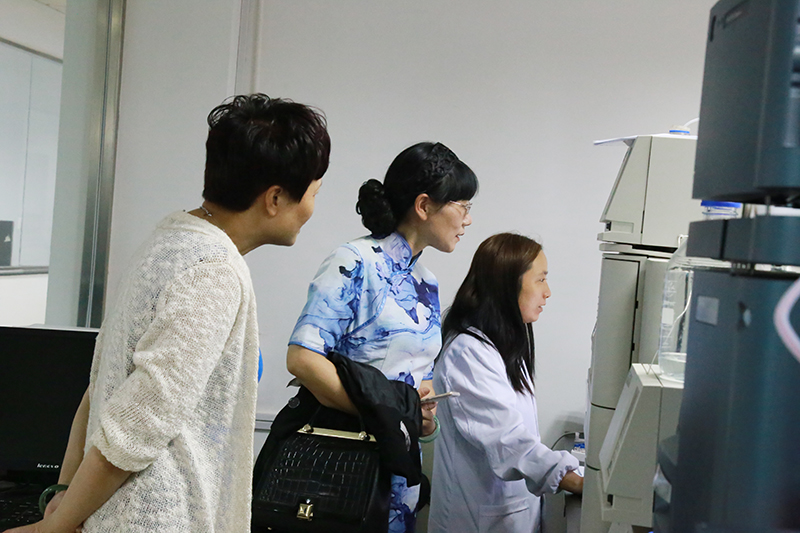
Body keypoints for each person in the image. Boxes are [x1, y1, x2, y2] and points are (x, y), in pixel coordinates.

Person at [4, 94, 331, 533]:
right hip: (155, 517)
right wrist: (56, 525)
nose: (311, 209)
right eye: (313, 193)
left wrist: (64, 495)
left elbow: (101, 385)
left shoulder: (168, 241)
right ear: (274, 198)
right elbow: (137, 422)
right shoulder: (213, 271)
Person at [285, 141, 478, 532]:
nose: (468, 220)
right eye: (463, 206)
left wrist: (422, 417)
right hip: (342, 464)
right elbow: (303, 359)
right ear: (424, 206)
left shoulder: (426, 282)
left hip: (398, 469)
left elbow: (417, 381)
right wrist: (385, 414)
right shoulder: (355, 262)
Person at [428, 233, 583, 533]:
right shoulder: (467, 353)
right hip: (476, 521)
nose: (548, 292)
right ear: (508, 285)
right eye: (540, 280)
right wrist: (573, 479)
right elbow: (507, 440)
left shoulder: (503, 345)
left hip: (507, 514)